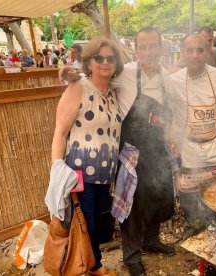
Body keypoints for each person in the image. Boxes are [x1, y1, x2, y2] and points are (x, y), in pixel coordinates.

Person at [51, 37, 124, 276]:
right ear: (89, 62)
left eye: (110, 58)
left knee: (93, 223)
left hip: (103, 173)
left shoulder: (113, 92)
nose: (105, 62)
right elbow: (60, 131)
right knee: (85, 223)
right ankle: (91, 268)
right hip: (80, 172)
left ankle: (90, 265)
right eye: (99, 58)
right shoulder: (78, 87)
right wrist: (57, 168)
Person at [113, 27, 175, 276]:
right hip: (131, 151)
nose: (148, 52)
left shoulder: (166, 78)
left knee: (158, 197)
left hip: (156, 148)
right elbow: (95, 78)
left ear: (160, 49)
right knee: (134, 205)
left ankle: (151, 241)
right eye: (143, 47)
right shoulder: (125, 73)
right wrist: (71, 76)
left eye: (152, 47)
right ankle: (131, 256)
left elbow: (171, 112)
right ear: (136, 50)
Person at [167, 34, 216, 234]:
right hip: (187, 146)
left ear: (207, 52)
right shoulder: (173, 81)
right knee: (187, 191)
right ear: (182, 53)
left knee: (213, 190)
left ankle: (214, 227)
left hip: (212, 145)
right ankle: (192, 225)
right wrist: (171, 139)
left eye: (200, 50)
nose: (195, 55)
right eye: (189, 51)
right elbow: (167, 113)